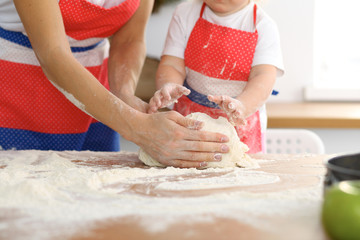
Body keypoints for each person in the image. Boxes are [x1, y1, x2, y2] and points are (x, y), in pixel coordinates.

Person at [0, 0, 230, 168]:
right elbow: (53, 54)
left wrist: (124, 96)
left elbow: (129, 38)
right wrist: (137, 127)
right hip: (17, 89)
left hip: (97, 98)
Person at [148, 0, 284, 153]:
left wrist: (242, 106)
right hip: (191, 117)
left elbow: (263, 76)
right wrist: (169, 84)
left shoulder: (262, 25)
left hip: (239, 123)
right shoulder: (185, 13)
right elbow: (172, 64)